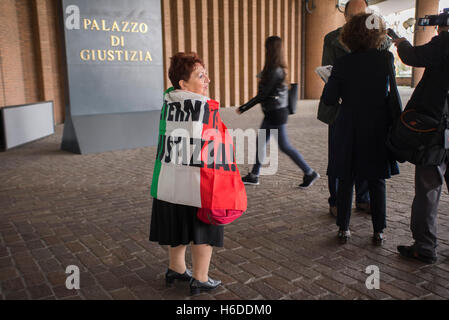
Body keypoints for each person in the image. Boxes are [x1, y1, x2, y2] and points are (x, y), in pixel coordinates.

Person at [149, 52, 247, 295]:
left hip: (169, 181)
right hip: (199, 185)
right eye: (201, 76)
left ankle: (177, 269)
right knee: (202, 228)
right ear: (183, 84)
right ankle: (200, 278)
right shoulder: (204, 107)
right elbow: (217, 148)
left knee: (177, 222)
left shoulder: (168, 103)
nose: (207, 80)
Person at [321, 13, 400, 245]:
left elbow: (329, 99)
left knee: (346, 178)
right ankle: (379, 231)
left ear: (350, 35)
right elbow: (392, 94)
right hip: (377, 127)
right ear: (378, 34)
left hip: (349, 127)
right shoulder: (385, 58)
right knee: (377, 179)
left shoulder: (343, 63)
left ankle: (344, 229)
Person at [394, 24, 449, 264]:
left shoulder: (445, 42)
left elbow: (413, 56)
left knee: (428, 186)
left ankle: (425, 246)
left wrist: (400, 42)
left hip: (437, 127)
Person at [237, 36, 320, 188]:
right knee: (261, 142)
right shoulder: (273, 70)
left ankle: (309, 172)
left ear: (271, 50)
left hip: (276, 114)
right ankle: (254, 175)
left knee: (284, 146)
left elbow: (263, 95)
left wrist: (244, 107)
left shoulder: (275, 71)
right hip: (272, 112)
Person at [320, 0, 373, 217]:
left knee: (365, 154)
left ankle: (363, 198)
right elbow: (328, 73)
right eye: (353, 16)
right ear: (345, 15)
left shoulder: (377, 39)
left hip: (367, 111)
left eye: (361, 15)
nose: (357, 20)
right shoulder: (332, 39)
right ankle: (337, 200)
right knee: (338, 157)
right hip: (340, 109)